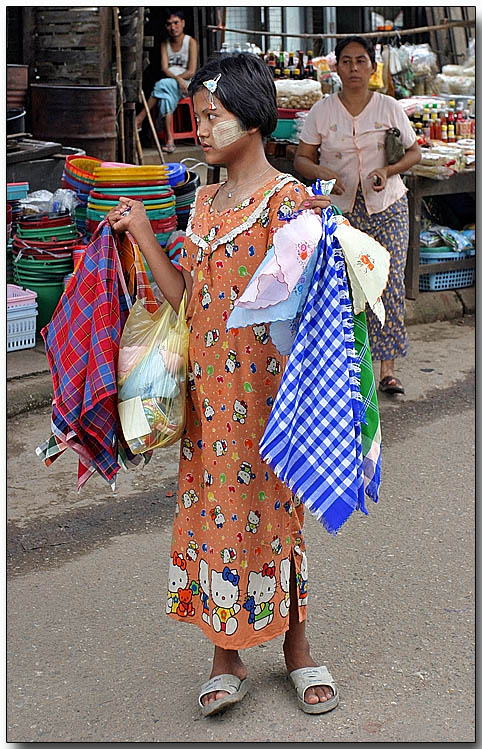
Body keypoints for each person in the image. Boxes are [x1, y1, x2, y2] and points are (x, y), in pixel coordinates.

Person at [108, 52, 339, 718]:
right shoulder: (204, 203)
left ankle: (297, 646)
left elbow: (316, 304)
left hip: (273, 401)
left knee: (278, 514)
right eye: (198, 115)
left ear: (254, 117)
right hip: (209, 402)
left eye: (213, 115)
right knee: (213, 515)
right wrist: (147, 235)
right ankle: (224, 653)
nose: (200, 128)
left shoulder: (288, 202)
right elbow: (184, 296)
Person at [294, 35, 421, 395]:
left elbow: (415, 153)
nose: (353, 68)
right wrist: (322, 175)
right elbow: (303, 158)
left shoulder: (389, 107)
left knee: (389, 283)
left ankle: (388, 370)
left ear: (372, 68)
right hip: (341, 211)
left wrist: (390, 170)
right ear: (336, 67)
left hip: (388, 207)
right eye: (346, 61)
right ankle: (346, 369)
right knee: (344, 288)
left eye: (360, 61)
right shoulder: (322, 110)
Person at [136, 9, 198, 153]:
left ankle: (140, 118)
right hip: (171, 83)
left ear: (183, 23)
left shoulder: (191, 42)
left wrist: (181, 80)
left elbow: (192, 71)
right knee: (165, 94)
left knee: (161, 86)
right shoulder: (165, 44)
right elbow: (164, 68)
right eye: (169, 24)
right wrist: (177, 79)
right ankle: (170, 141)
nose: (173, 27)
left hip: (185, 85)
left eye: (176, 23)